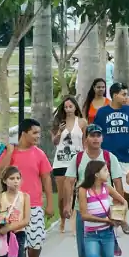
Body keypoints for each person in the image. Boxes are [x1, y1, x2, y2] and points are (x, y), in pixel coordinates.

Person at [0, 118, 53, 257]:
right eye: (34, 132)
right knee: (18, 243)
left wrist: (49, 202)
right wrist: (10, 152)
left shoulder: (39, 153)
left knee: (36, 242)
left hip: (34, 204)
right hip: (12, 205)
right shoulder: (9, 152)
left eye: (39, 133)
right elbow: (0, 173)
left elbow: (46, 179)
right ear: (24, 133)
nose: (38, 136)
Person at [71, 125, 125, 257]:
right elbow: (69, 181)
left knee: (104, 246)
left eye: (98, 135)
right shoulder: (78, 158)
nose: (95, 138)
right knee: (86, 249)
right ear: (86, 138)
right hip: (82, 208)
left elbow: (118, 182)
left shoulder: (109, 157)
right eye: (92, 135)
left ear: (102, 138)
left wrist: (119, 213)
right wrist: (66, 205)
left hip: (104, 209)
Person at [93, 83, 129, 203]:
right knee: (110, 190)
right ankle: (113, 217)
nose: (127, 97)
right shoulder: (102, 112)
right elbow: (96, 132)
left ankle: (122, 213)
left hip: (126, 156)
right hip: (107, 158)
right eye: (124, 94)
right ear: (115, 95)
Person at [51, 97, 87, 232]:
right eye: (66, 107)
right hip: (60, 161)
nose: (68, 109)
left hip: (76, 160)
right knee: (61, 195)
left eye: (70, 106)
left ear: (75, 107)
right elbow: (54, 142)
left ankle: (73, 220)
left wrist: (85, 159)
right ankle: (62, 219)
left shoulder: (82, 122)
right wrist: (60, 132)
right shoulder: (58, 123)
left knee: (74, 192)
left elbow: (84, 142)